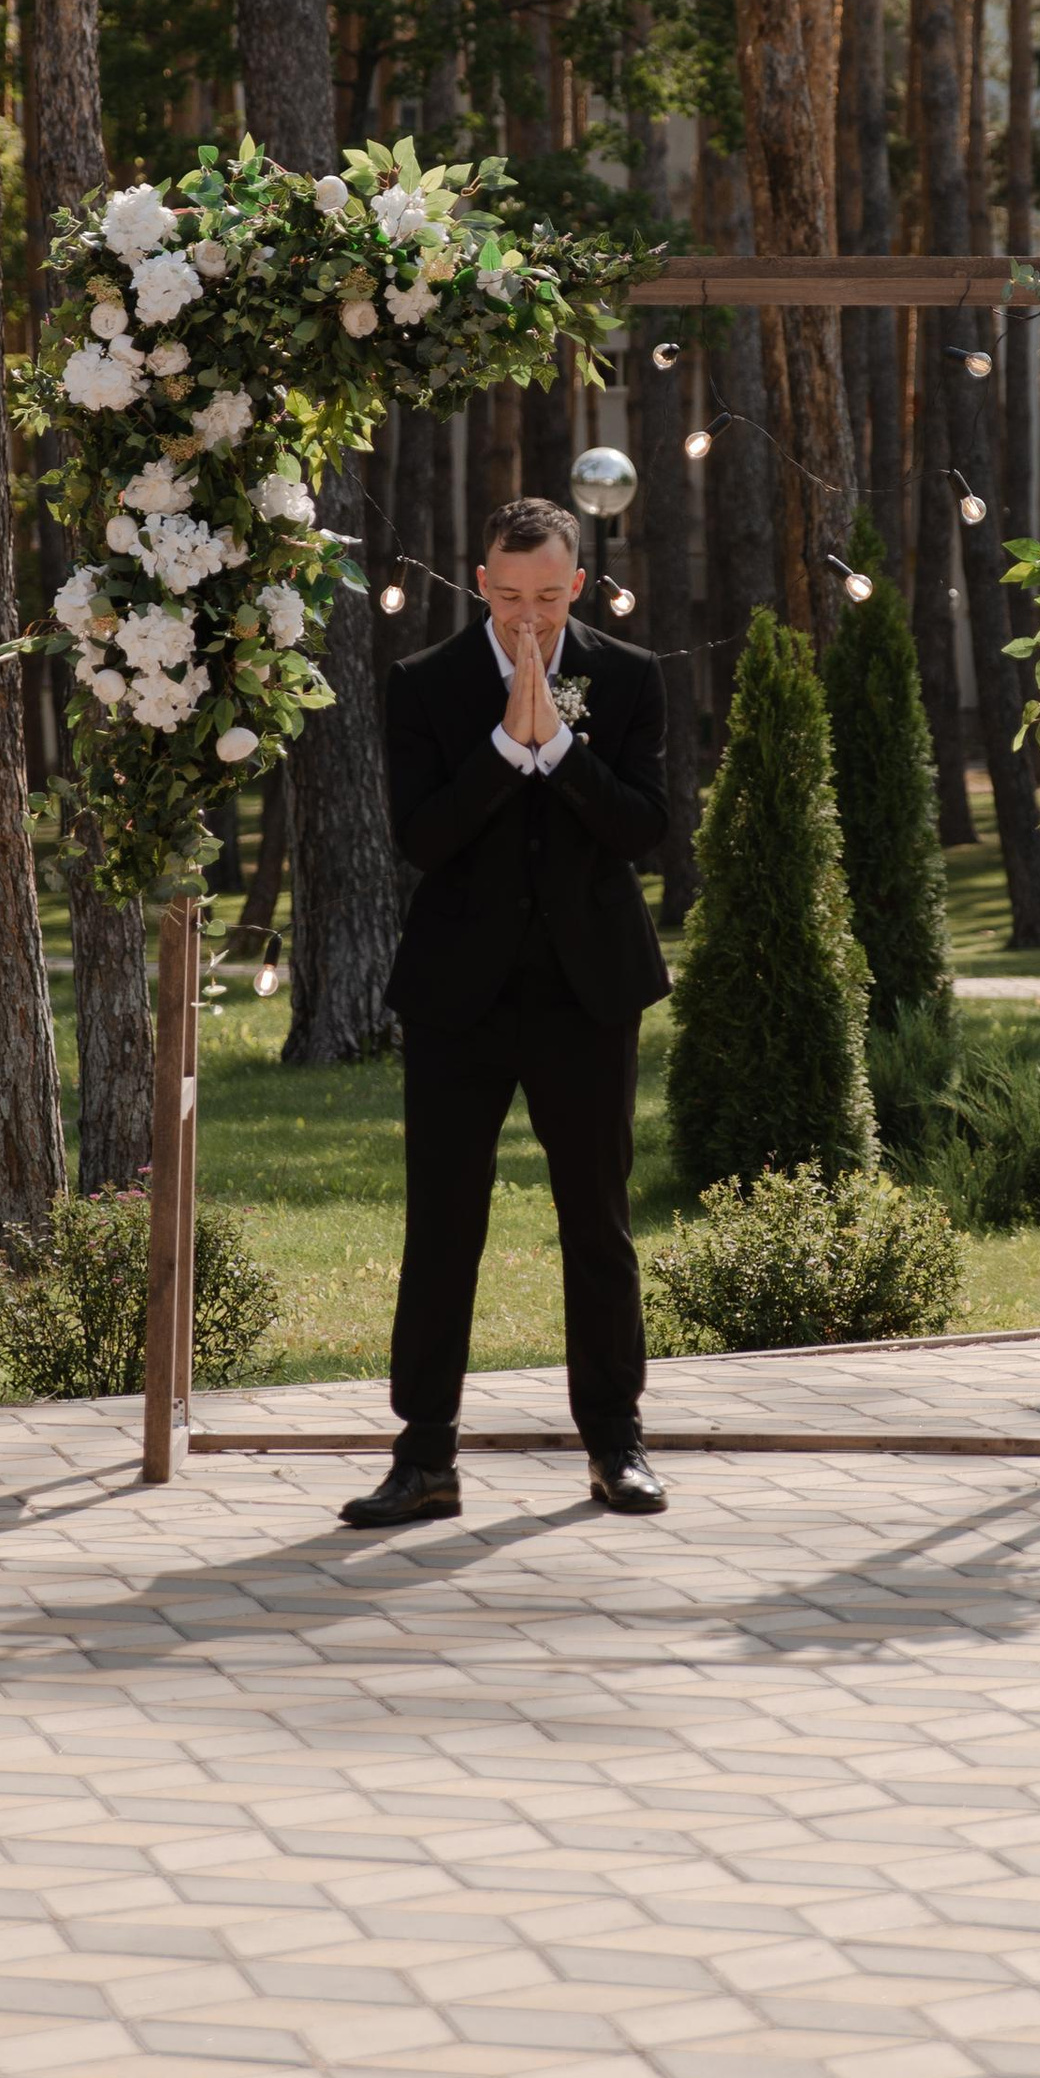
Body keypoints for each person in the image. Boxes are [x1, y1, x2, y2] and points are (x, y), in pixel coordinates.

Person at [340, 498, 671, 1532]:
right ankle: (423, 1459)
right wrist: (502, 746)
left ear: (575, 585)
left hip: (588, 993)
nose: (527, 618)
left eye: (547, 597)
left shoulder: (628, 677)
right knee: (442, 1227)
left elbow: (645, 830)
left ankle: (616, 1445)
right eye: (508, 595)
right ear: (478, 581)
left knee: (598, 1226)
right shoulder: (423, 684)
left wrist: (562, 751)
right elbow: (422, 839)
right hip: (457, 1000)